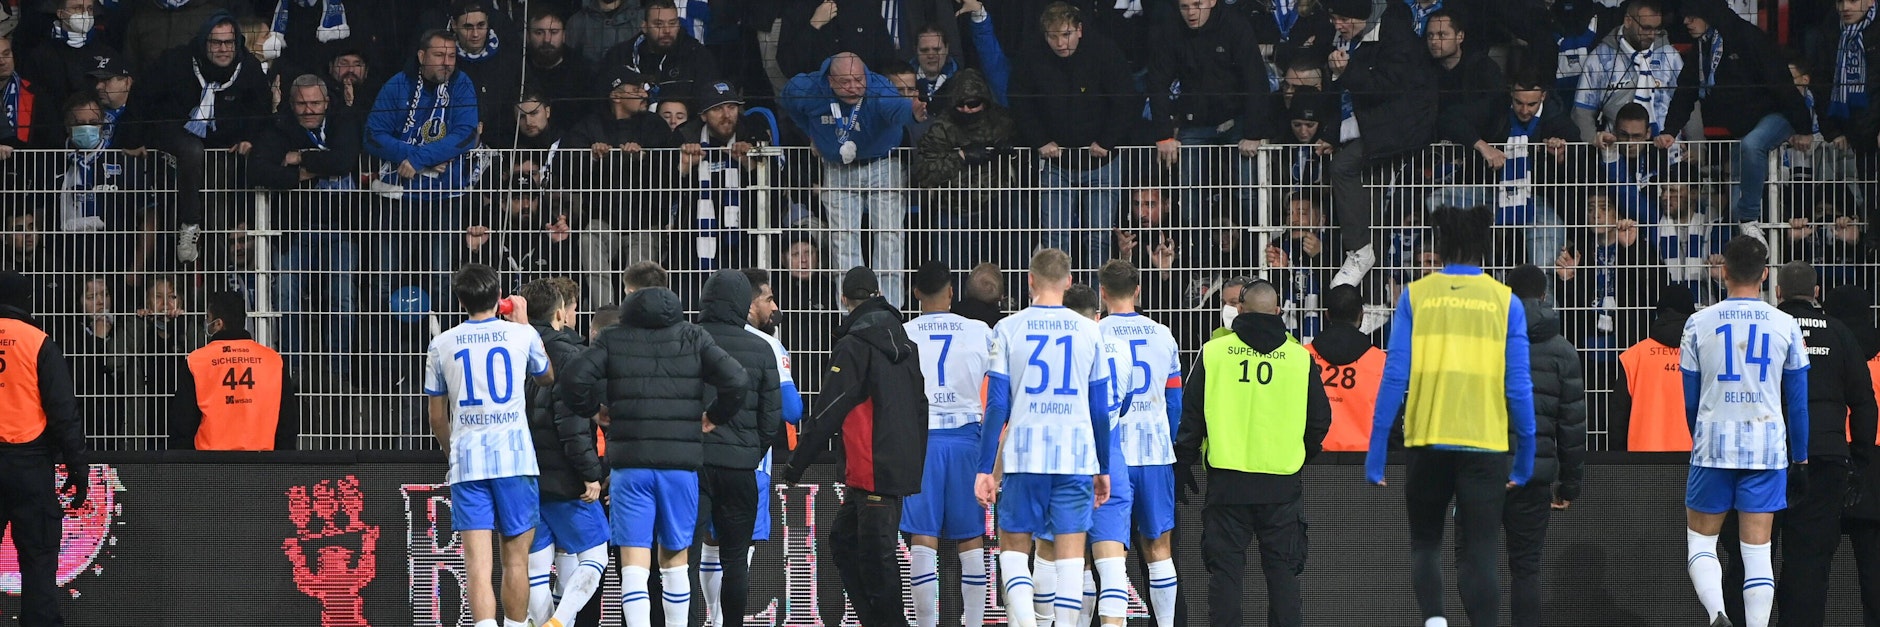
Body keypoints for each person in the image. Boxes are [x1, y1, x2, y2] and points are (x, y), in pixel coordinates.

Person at [1366, 205, 1537, 627]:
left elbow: (1394, 376)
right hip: (1486, 443)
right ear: (1484, 248)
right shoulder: (1505, 301)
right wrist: (1527, 452)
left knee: (1426, 543)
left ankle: (1435, 619)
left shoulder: (1416, 295)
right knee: (1481, 551)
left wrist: (1375, 450)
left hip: (1427, 438)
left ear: (1440, 248)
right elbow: (1518, 385)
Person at [561, 263, 748, 627]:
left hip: (630, 468)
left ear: (630, 296)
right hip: (681, 467)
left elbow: (572, 379)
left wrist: (595, 411)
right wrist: (713, 416)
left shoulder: (613, 338)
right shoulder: (693, 336)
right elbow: (736, 380)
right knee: (675, 560)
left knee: (633, 563)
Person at [1176, 277, 1330, 627]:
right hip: (1281, 483)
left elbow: (1191, 414)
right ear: (1279, 311)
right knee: (1283, 576)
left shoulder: (1214, 353)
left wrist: (1183, 461)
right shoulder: (1298, 359)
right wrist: (1300, 450)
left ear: (1239, 310)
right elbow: (1321, 418)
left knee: (1226, 575)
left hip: (1227, 483)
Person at [974, 248, 1113, 627]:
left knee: (1015, 553)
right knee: (1070, 558)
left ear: (1030, 280)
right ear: (1068, 283)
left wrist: (986, 468)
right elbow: (1100, 408)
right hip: (1076, 456)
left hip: (1023, 456)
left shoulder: (1008, 328)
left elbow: (997, 405)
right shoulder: (1090, 331)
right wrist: (1103, 466)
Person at [782, 266, 927, 627]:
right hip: (895, 465)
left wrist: (796, 465)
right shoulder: (906, 343)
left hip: (869, 468)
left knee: (875, 561)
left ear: (844, 299)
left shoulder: (853, 345)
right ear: (878, 292)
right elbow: (921, 405)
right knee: (847, 544)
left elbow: (828, 410)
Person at [1680, 236, 1811, 627]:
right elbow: (1799, 403)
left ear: (1723, 273)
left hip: (1713, 444)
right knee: (1758, 552)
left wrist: (1699, 438)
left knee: (1702, 543)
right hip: (1766, 446)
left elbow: (1689, 399)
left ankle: (1717, 613)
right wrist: (1800, 458)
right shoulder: (1786, 325)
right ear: (1766, 275)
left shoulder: (1698, 323)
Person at [423, 263, 555, 627]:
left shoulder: (441, 344)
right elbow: (547, 376)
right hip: (515, 460)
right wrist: (525, 325)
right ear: (500, 298)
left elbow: (436, 417)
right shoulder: (521, 335)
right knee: (516, 561)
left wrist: (454, 454)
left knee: (477, 568)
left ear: (460, 299)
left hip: (468, 463)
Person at [1766, 260, 1877, 626]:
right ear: (1816, 294)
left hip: (1767, 456)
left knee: (1754, 555)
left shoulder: (1767, 329)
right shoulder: (1839, 332)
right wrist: (1858, 460)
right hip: (1825, 456)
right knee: (1809, 564)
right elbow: (1864, 402)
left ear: (1778, 292)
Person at [1659, 0, 1814, 243]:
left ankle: (1749, 219)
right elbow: (1685, 91)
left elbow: (1781, 84)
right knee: (1732, 206)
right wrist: (1670, 130)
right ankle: (1750, 252)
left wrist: (1804, 128)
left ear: (1708, 13)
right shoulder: (1703, 48)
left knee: (1752, 145)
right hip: (1742, 128)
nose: (1685, 22)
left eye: (1692, 15)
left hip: (1778, 116)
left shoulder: (1748, 37)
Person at [701, 267, 802, 627]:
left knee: (684, 554)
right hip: (744, 468)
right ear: (745, 303)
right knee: (736, 559)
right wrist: (750, 453)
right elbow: (781, 413)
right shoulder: (765, 346)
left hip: (691, 466)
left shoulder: (686, 338)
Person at [781, 52, 920, 307]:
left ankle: (890, 310)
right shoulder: (809, 87)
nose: (854, 87)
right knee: (843, 241)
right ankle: (851, 312)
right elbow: (788, 101)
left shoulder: (879, 87)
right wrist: (814, 133)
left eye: (859, 80)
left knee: (889, 236)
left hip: (882, 164)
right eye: (845, 82)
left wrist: (912, 112)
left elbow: (898, 110)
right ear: (830, 80)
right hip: (838, 168)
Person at [899, 260, 995, 627]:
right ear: (952, 291)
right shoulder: (980, 331)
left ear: (916, 293)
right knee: (971, 537)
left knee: (923, 538)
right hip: (968, 438)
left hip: (922, 441)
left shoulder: (904, 332)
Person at [1010, 2, 1136, 274]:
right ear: (1044, 35)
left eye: (1066, 34)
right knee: (1056, 241)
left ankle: (1095, 307)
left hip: (1103, 164)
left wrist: (1107, 141)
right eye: (1053, 36)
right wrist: (1040, 140)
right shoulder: (1031, 55)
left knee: (1098, 239)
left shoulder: (1104, 51)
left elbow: (1125, 101)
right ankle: (1058, 303)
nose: (1060, 42)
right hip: (1056, 166)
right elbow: (1020, 102)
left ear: (1079, 30)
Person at [139, 11, 271, 264]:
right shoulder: (177, 60)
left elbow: (261, 111)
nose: (223, 49)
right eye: (216, 42)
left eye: (229, 42)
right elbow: (144, 96)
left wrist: (249, 137)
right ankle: (188, 226)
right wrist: (133, 138)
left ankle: (218, 272)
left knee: (218, 209)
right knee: (192, 151)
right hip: (173, 134)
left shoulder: (249, 68)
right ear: (203, 43)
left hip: (220, 149)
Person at [1094, 259, 1184, 627]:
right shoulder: (1162, 334)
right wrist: (1169, 437)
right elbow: (1175, 400)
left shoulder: (1093, 333)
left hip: (1108, 454)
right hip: (1154, 453)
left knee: (1100, 554)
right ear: (1138, 291)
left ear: (1102, 292)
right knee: (1159, 549)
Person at [514, 279, 609, 627]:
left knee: (536, 569)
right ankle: (560, 622)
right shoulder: (571, 356)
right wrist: (590, 472)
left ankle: (545, 623)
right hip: (563, 477)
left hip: (520, 475)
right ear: (559, 313)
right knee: (596, 555)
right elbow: (571, 424)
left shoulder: (509, 348)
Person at [0, 270, 90, 627]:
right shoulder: (37, 342)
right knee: (37, 560)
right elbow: (64, 414)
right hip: (29, 464)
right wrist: (77, 469)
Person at [1502, 265, 1587, 627]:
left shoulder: (1486, 343)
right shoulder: (1563, 352)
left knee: (1473, 561)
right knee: (1526, 568)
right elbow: (1572, 426)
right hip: (1533, 478)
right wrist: (1569, 486)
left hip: (1483, 473)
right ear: (1543, 295)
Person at [169, 290, 299, 450]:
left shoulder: (197, 361)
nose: (206, 322)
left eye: (208, 317)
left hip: (210, 465)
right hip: (263, 464)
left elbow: (182, 425)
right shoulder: (272, 360)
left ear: (218, 323)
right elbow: (287, 424)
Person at [1612, 286, 1699, 451]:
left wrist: (1620, 462)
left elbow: (1619, 419)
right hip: (1694, 458)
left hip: (1643, 459)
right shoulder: (1702, 354)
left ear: (1659, 313)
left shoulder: (1635, 356)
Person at [1306, 284, 1387, 452]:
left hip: (1314, 455)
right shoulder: (1380, 361)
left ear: (1327, 315)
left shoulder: (1304, 356)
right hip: (1363, 456)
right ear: (1361, 315)